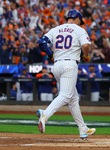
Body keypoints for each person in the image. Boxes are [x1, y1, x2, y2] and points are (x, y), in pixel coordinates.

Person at [36, 9, 96, 139]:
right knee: (65, 95)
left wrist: (51, 54)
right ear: (78, 19)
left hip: (56, 65)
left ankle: (83, 128)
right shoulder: (79, 29)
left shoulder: (56, 29)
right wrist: (85, 56)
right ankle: (45, 114)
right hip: (70, 65)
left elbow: (41, 42)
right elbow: (85, 46)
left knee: (73, 99)